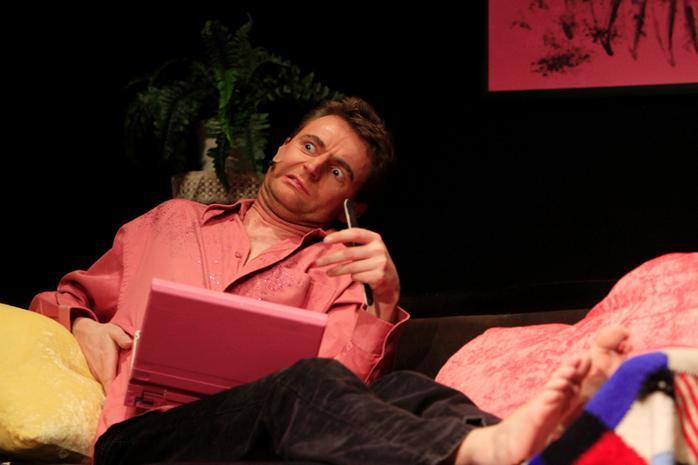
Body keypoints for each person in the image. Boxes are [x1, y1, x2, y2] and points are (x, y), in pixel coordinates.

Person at [31, 96, 629, 465]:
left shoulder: (338, 267)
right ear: (281, 147)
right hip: (144, 438)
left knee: (410, 390)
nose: (312, 166)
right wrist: (84, 326)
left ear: (352, 207)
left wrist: (383, 302)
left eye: (337, 170)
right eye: (310, 145)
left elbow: (346, 395)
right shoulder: (170, 221)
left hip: (262, 439)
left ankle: (541, 446)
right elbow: (59, 299)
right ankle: (480, 450)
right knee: (301, 383)